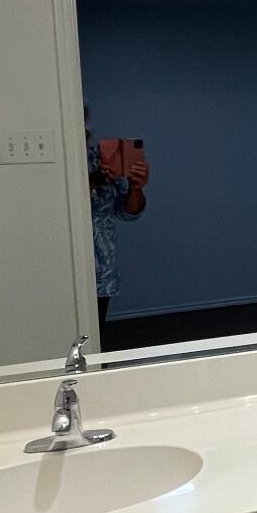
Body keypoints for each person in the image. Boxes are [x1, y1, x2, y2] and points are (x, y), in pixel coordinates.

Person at [85, 112, 149, 345]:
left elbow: (129, 212)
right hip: (64, 259)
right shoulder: (56, 164)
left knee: (96, 333)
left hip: (102, 264)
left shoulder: (101, 158)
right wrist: (93, 180)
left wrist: (136, 187)